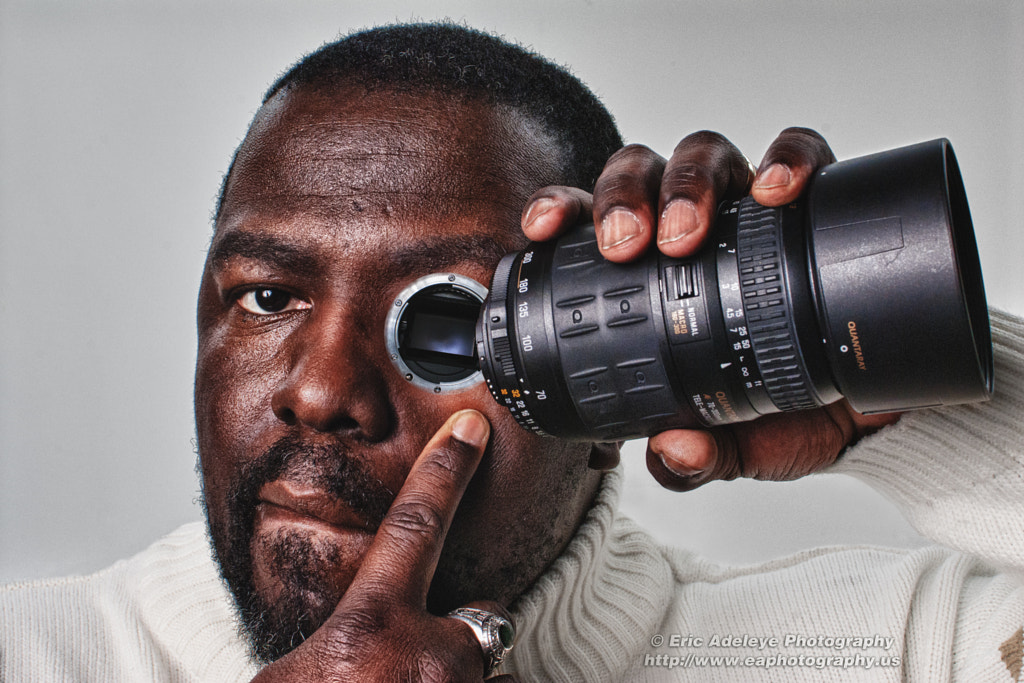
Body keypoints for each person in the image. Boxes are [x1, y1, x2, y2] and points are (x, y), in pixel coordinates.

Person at [2, 23, 1022, 682]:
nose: (320, 389)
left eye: (441, 323)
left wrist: (880, 377)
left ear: (613, 383)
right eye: (267, 296)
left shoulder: (890, 652)